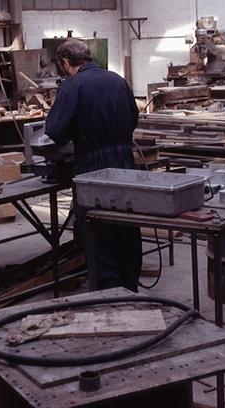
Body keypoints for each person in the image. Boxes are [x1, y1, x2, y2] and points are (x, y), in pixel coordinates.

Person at [45, 38, 142, 292]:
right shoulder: (117, 80)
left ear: (65, 63)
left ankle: (108, 295)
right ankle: (130, 289)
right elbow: (133, 118)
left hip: (93, 167)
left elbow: (55, 131)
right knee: (126, 225)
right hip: (125, 163)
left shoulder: (73, 86)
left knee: (100, 232)